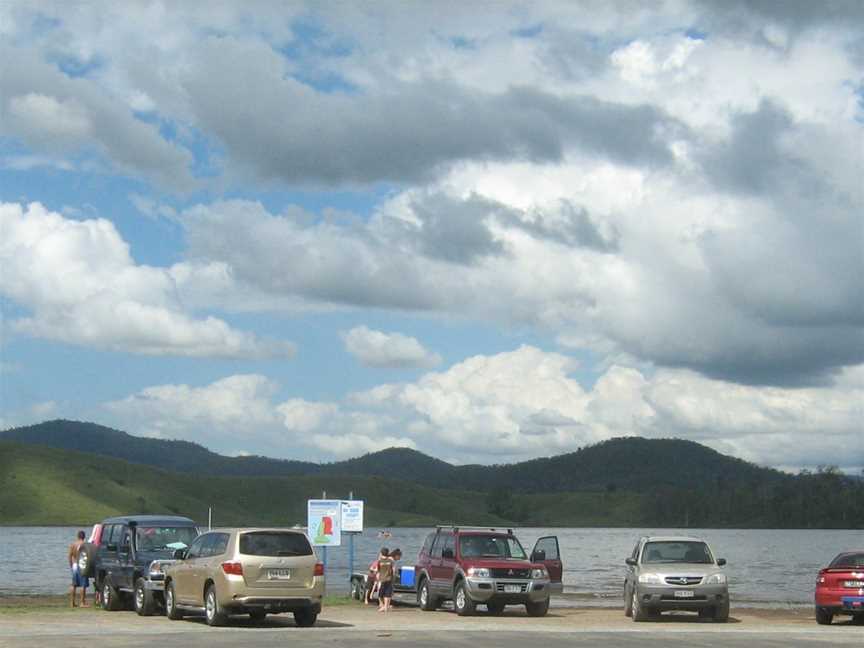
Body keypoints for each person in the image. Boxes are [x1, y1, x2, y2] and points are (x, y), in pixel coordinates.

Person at [68, 530, 89, 608]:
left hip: (75, 565)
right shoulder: (85, 544)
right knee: (83, 585)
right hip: (82, 565)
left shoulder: (73, 544)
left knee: (74, 584)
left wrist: (71, 565)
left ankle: (72, 603)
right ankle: (82, 603)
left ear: (77, 536)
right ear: (84, 537)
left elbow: (69, 556)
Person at [377, 548, 395, 612]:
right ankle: (386, 607)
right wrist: (393, 576)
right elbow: (393, 569)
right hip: (389, 579)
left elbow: (378, 570)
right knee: (387, 594)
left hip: (382, 579)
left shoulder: (379, 561)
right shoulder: (390, 561)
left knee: (381, 594)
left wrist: (378, 579)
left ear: (381, 553)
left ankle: (383, 606)